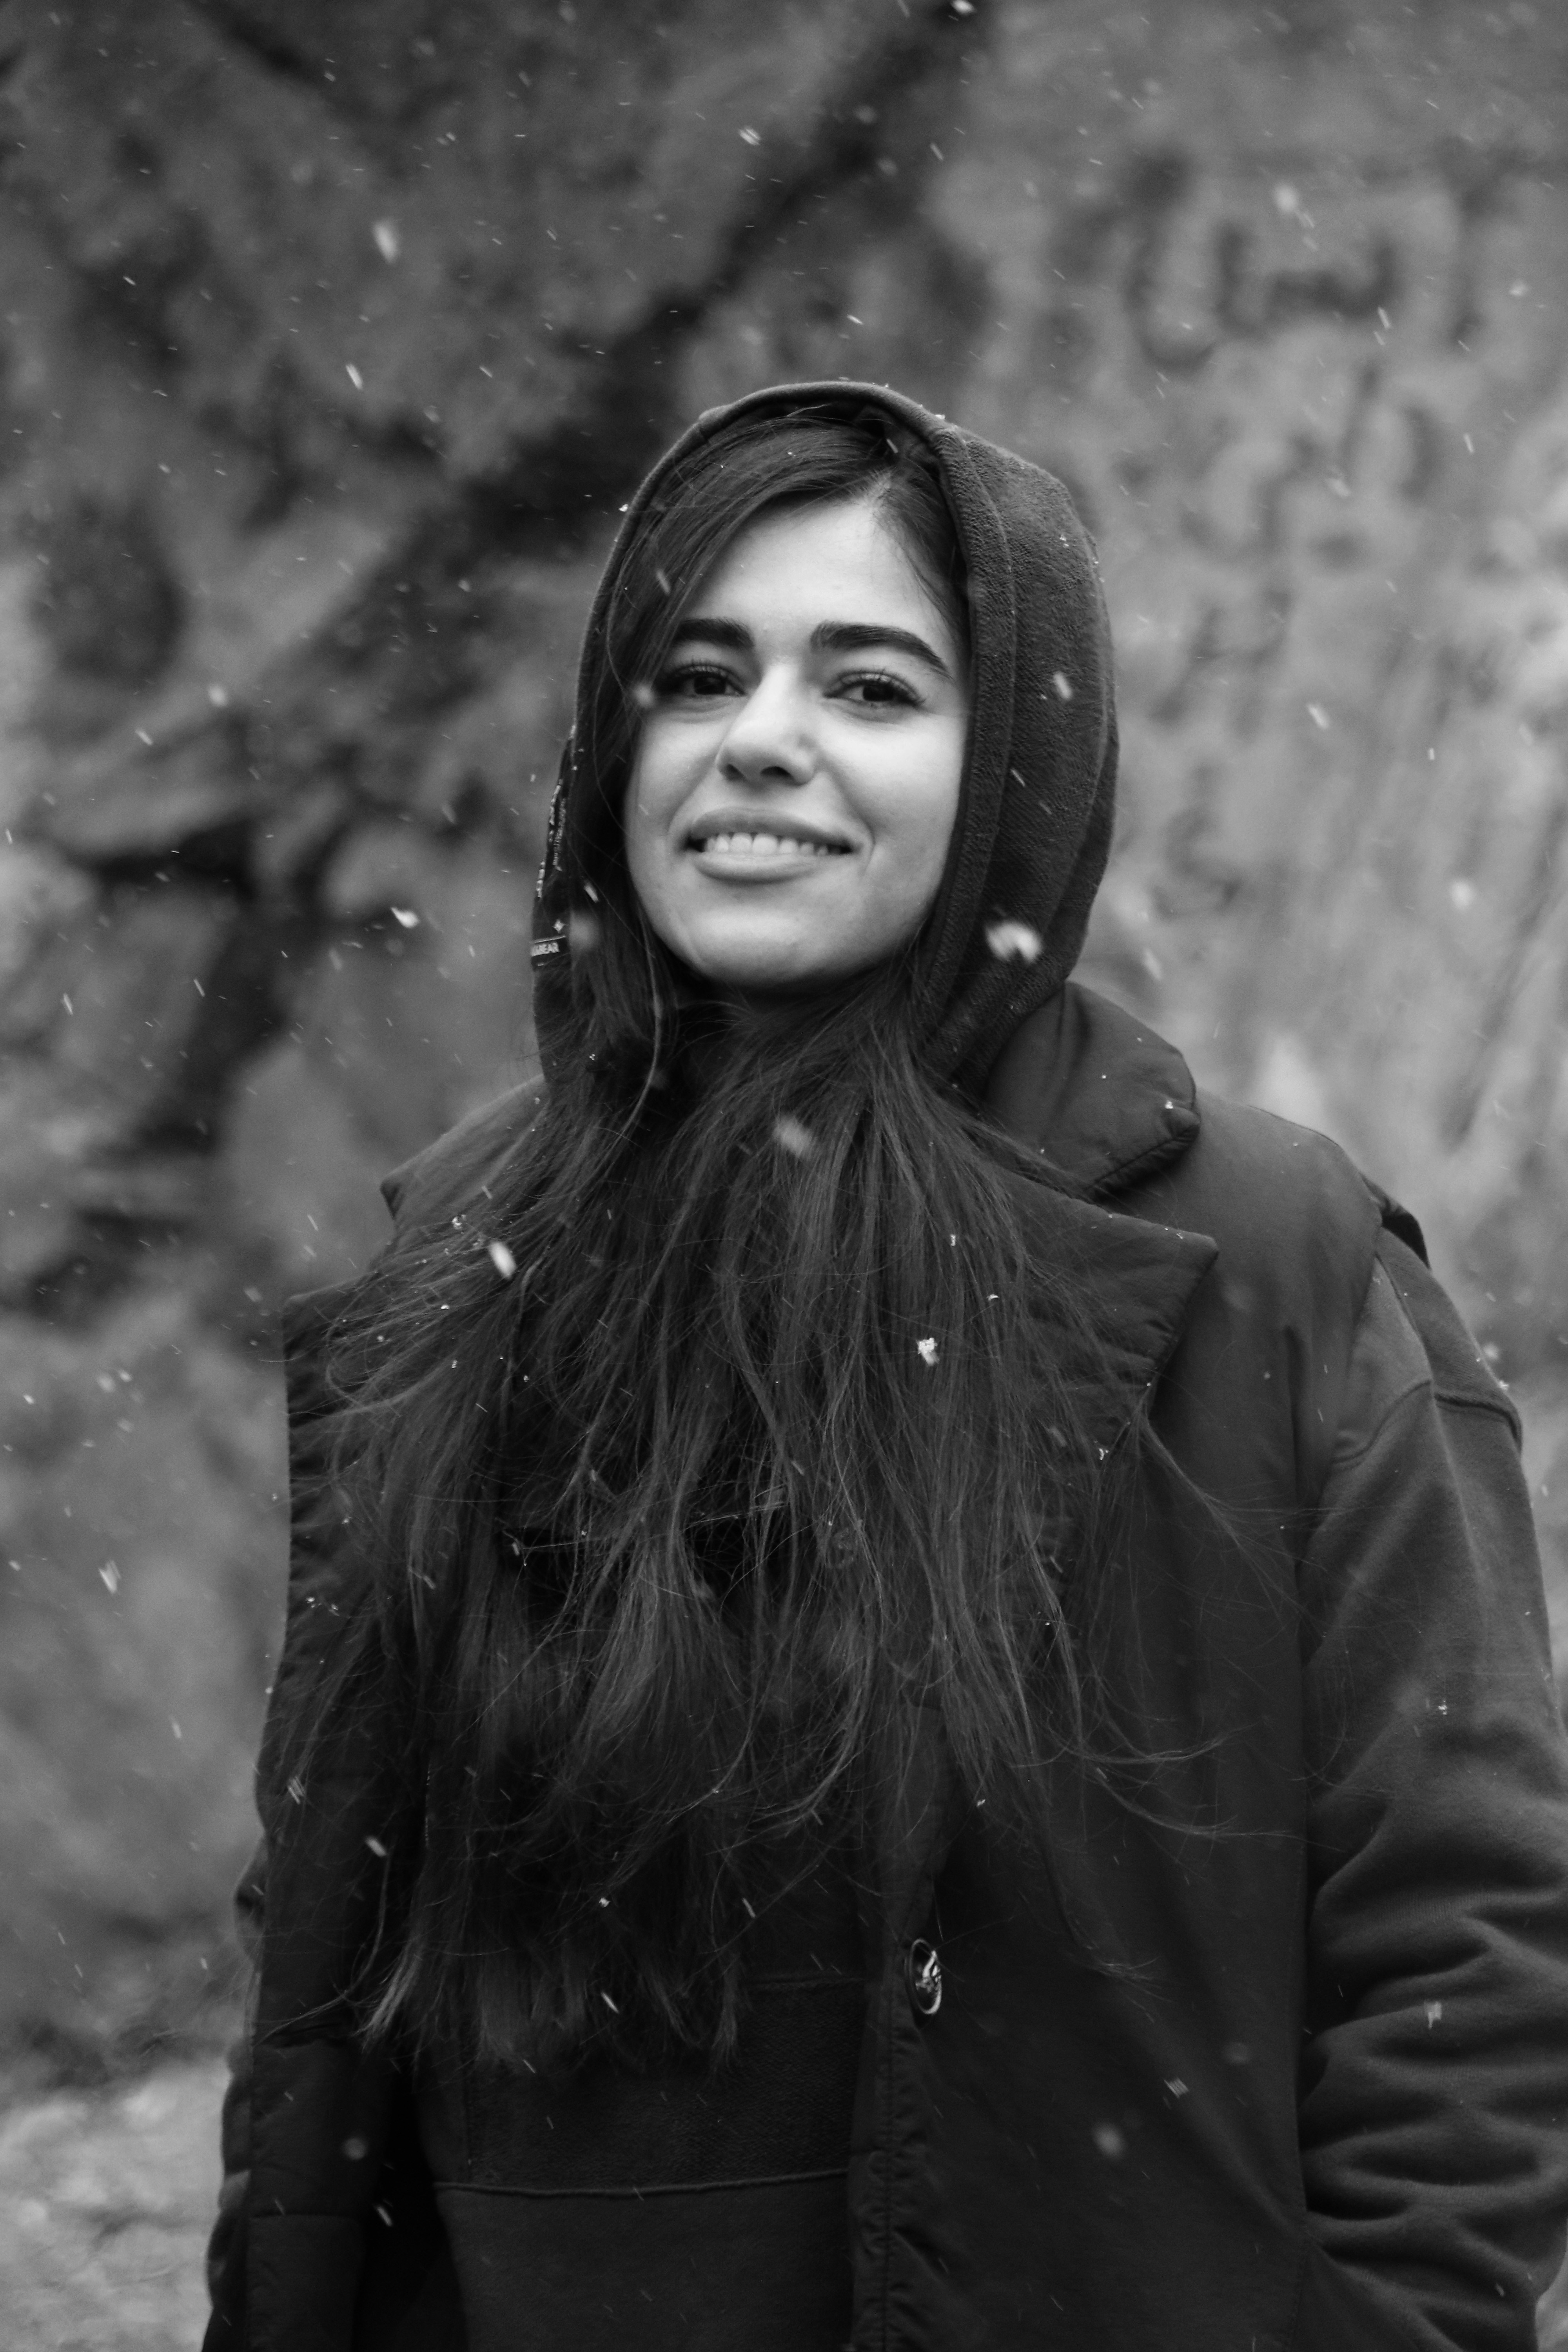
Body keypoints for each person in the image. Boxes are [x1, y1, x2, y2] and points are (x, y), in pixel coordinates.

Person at [203, 383, 1568, 2352]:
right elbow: (327, 1937)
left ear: (1017, 754)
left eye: (869, 687)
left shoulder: (1273, 1274)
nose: (761, 738)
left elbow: (1470, 1941)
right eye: (697, 673)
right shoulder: (459, 1261)